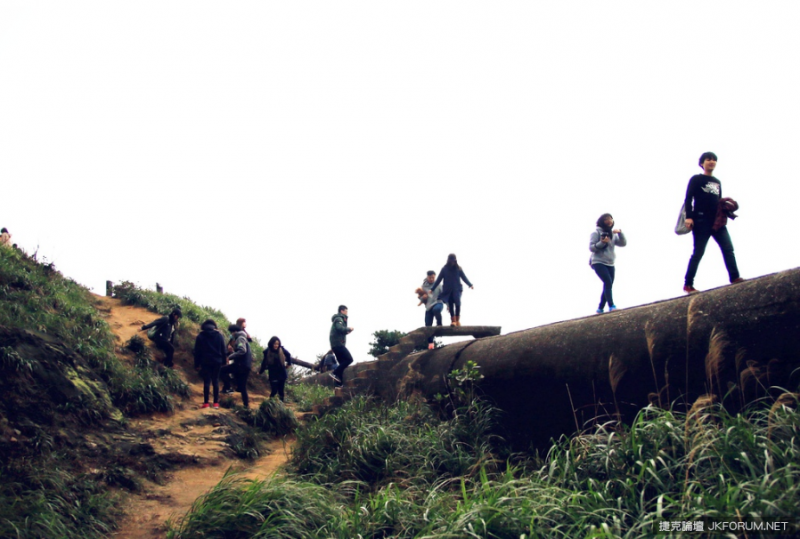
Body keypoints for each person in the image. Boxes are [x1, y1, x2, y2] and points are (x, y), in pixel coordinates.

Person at [683, 152, 743, 293]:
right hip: (701, 220)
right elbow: (688, 198)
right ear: (702, 163)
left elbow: (718, 201)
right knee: (698, 252)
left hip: (717, 222)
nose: (712, 162)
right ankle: (688, 284)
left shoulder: (717, 182)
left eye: (714, 160)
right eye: (708, 159)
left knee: (728, 249)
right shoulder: (696, 179)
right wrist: (689, 217)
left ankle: (735, 277)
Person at [589, 214, 627, 313]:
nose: (609, 221)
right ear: (602, 221)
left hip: (610, 262)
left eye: (610, 219)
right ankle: (611, 306)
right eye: (606, 219)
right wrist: (602, 243)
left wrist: (620, 233)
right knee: (608, 282)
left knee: (608, 285)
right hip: (598, 262)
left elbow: (622, 244)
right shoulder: (596, 232)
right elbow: (591, 247)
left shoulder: (612, 234)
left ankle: (600, 308)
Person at [431, 254, 474, 326]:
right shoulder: (444, 269)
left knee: (458, 303)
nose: (452, 262)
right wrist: (432, 289)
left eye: (454, 261)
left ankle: (457, 320)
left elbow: (464, 277)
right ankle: (453, 321)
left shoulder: (458, 269)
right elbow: (438, 279)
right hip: (448, 289)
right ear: (448, 260)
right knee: (450, 304)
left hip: (457, 289)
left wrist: (470, 284)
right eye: (451, 260)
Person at [193, 319, 227, 408]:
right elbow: (223, 349)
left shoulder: (200, 336)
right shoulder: (219, 335)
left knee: (206, 381)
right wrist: (224, 361)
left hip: (205, 361)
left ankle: (206, 403)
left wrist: (196, 364)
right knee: (215, 380)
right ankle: (216, 403)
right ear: (214, 326)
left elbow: (197, 352)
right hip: (217, 361)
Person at [219, 324, 253, 408]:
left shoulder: (240, 338)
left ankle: (227, 387)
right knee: (242, 387)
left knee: (221, 371)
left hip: (240, 365)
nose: (231, 334)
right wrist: (233, 351)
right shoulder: (243, 338)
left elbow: (242, 350)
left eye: (231, 332)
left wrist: (229, 357)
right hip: (246, 365)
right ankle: (246, 406)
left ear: (234, 332)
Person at [258, 336, 293, 402]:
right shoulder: (267, 351)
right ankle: (270, 405)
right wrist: (260, 371)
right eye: (275, 344)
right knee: (274, 391)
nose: (276, 345)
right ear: (271, 344)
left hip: (281, 373)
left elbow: (288, 355)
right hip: (273, 373)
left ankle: (281, 406)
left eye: (277, 344)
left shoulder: (281, 349)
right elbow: (264, 363)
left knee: (281, 391)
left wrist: (289, 364)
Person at [329, 305, 354, 387]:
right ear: (342, 311)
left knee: (342, 364)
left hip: (336, 345)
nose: (347, 313)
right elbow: (340, 328)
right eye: (346, 311)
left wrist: (347, 331)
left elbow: (340, 331)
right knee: (349, 359)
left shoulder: (339, 319)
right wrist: (348, 329)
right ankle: (334, 373)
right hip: (338, 344)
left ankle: (339, 384)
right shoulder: (339, 319)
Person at [419, 270, 444, 349]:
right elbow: (420, 297)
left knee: (436, 310)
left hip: (438, 303)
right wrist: (423, 297)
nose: (432, 279)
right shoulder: (423, 286)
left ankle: (439, 324)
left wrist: (448, 306)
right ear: (427, 277)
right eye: (430, 278)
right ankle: (430, 343)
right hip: (429, 306)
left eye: (433, 277)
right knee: (427, 325)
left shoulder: (438, 285)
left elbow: (444, 295)